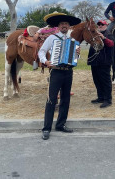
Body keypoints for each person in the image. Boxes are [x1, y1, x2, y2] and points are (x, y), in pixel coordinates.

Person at [38, 11, 81, 140]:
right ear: (58, 26)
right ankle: (46, 128)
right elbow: (42, 51)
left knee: (65, 99)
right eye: (62, 24)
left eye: (66, 24)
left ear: (69, 27)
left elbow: (75, 58)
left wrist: (78, 53)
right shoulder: (52, 38)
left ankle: (61, 124)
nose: (64, 26)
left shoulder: (72, 40)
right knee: (51, 99)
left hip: (68, 71)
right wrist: (45, 61)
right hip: (56, 71)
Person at [87, 20, 114, 108]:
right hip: (94, 61)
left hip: (104, 61)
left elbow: (111, 44)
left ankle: (108, 100)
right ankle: (101, 97)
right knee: (97, 80)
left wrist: (104, 37)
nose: (100, 26)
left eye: (102, 24)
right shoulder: (94, 34)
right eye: (99, 24)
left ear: (106, 25)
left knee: (105, 81)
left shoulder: (109, 34)